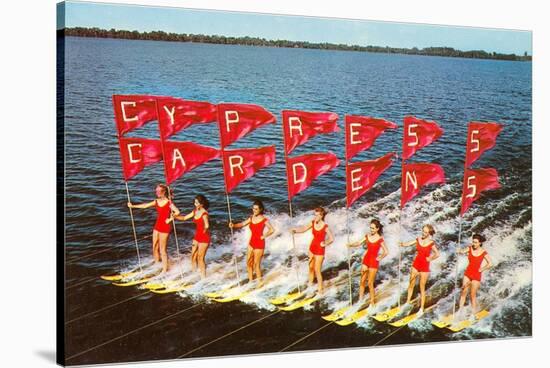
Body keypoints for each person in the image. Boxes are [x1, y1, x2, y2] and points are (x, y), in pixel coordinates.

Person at [128, 184, 180, 274]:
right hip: (157, 226)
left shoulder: (169, 202)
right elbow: (145, 206)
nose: (157, 193)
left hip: (165, 227)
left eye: (158, 191)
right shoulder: (156, 201)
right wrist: (133, 206)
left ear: (164, 192)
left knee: (162, 250)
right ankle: (157, 264)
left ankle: (165, 269)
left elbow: (177, 212)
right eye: (156, 191)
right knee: (154, 246)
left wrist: (170, 219)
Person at [229, 200, 275, 287]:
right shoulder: (251, 218)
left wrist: (264, 236)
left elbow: (272, 230)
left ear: (260, 209)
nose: (254, 210)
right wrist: (234, 225)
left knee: (256, 264)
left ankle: (260, 283)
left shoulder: (264, 219)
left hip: (259, 244)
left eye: (256, 209)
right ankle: (250, 281)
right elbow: (242, 224)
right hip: (251, 243)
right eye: (253, 209)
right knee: (249, 262)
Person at [291, 207, 334, 296]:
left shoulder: (325, 226)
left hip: (320, 250)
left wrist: (325, 243)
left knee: (317, 270)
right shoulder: (313, 222)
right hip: (312, 248)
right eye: (314, 215)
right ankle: (310, 284)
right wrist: (295, 231)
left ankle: (320, 290)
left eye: (317, 215)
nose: (315, 217)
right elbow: (303, 229)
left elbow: (331, 239)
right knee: (310, 268)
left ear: (321, 216)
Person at [400, 224, 440, 316]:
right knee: (411, 283)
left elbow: (437, 254)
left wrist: (430, 259)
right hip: (416, 264)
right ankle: (407, 302)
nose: (423, 233)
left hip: (424, 267)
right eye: (423, 231)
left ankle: (421, 309)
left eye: (426, 232)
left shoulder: (431, 243)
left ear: (429, 233)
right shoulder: (418, 239)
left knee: (422, 288)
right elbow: (409, 243)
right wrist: (402, 244)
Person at [347, 219, 389, 307]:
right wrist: (351, 245)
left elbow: (386, 251)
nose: (371, 230)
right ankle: (360, 300)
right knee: (362, 281)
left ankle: (372, 302)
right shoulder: (367, 236)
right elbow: (358, 242)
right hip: (366, 260)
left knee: (370, 283)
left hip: (373, 262)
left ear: (377, 229)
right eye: (370, 228)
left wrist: (380, 257)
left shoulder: (380, 239)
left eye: (373, 228)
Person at [170, 195, 211, 278]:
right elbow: (184, 218)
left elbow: (207, 225)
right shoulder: (195, 211)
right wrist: (175, 216)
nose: (195, 204)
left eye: (197, 203)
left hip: (204, 237)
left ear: (201, 204)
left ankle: (203, 276)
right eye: (194, 202)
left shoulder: (204, 214)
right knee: (193, 256)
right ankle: (194, 272)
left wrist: (205, 230)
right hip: (197, 237)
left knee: (200, 258)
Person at [457, 233, 492, 318]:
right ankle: (460, 312)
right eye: (473, 242)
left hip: (476, 275)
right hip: (468, 273)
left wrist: (482, 269)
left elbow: (490, 263)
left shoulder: (483, 252)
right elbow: (461, 251)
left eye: (476, 242)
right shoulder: (469, 248)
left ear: (480, 243)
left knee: (472, 295)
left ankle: (473, 314)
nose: (474, 244)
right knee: (464, 292)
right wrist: (459, 251)